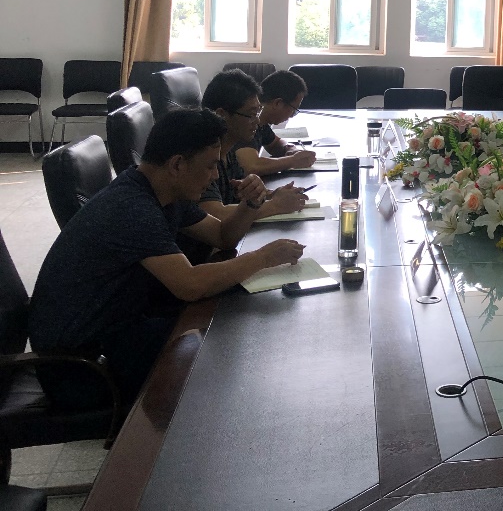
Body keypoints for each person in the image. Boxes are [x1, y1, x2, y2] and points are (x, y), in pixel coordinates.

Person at [28, 108, 306, 410]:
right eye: (210, 166)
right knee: (224, 356)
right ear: (177, 164)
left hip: (118, 331)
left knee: (230, 326)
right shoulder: (133, 208)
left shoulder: (162, 190)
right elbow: (190, 285)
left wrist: (250, 205)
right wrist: (263, 257)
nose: (216, 175)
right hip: (81, 369)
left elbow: (222, 236)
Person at [199, 69, 308, 221]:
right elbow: (216, 215)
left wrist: (269, 194)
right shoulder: (199, 156)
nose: (257, 121)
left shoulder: (228, 151)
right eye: (251, 114)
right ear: (221, 115)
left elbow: (237, 194)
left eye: (258, 112)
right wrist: (275, 205)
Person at [232, 69, 317, 176]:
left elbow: (275, 144)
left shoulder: (262, 123)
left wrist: (290, 148)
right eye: (293, 110)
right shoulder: (247, 121)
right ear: (278, 103)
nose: (291, 116)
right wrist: (292, 161)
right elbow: (251, 166)